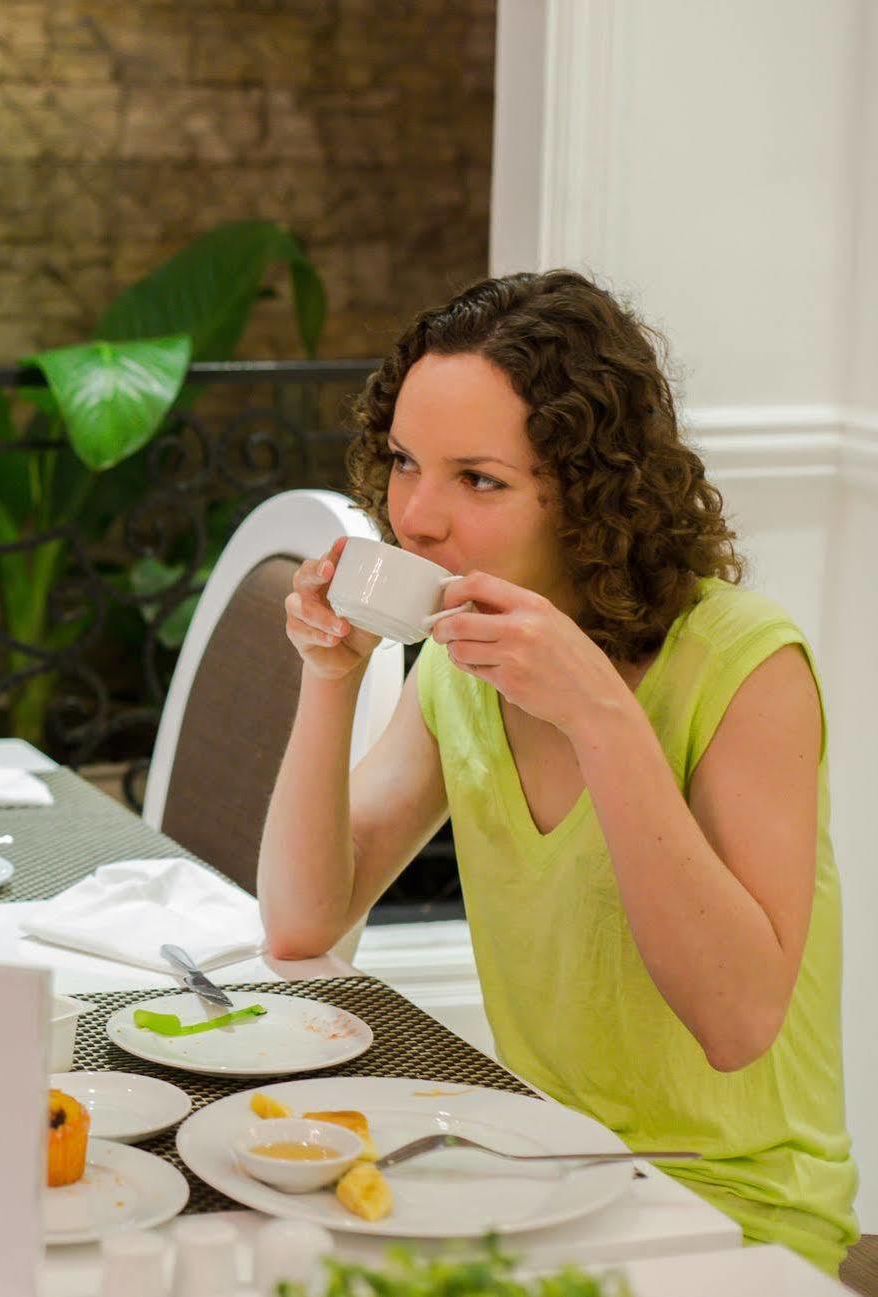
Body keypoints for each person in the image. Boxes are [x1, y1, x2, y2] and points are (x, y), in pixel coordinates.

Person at [259, 270, 857, 1270]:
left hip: (732, 1206)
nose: (414, 517)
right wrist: (329, 679)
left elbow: (738, 1021)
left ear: (589, 488)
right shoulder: (462, 660)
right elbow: (303, 919)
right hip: (533, 1167)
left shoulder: (745, 666)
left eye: (476, 479)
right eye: (405, 462)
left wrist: (597, 715)